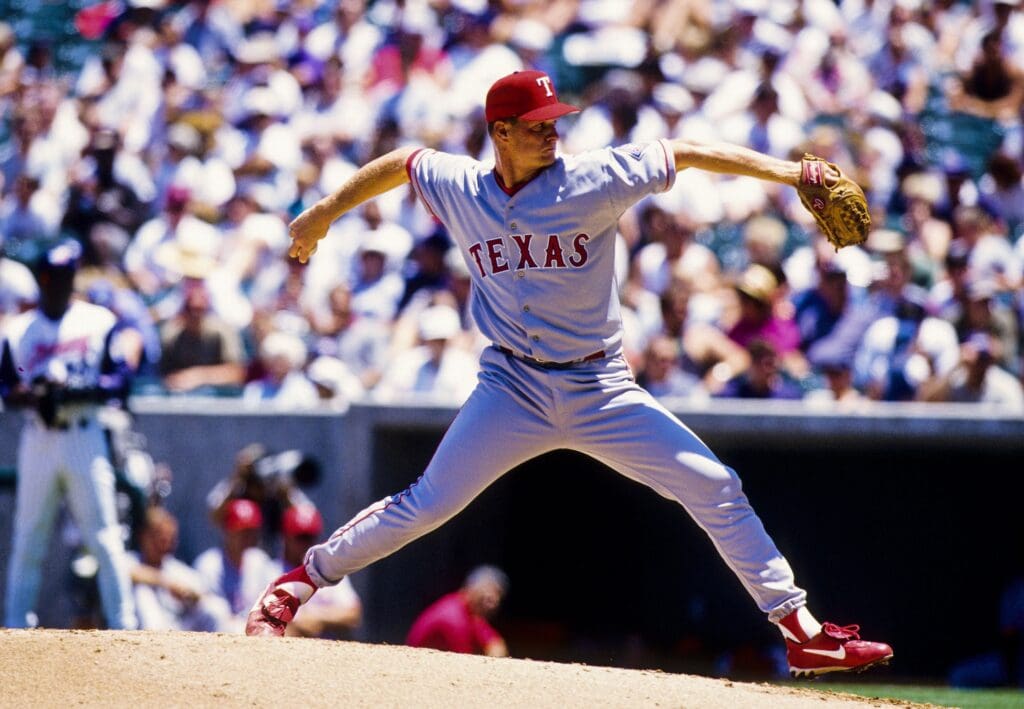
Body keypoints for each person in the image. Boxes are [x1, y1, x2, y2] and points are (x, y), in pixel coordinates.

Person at [246, 69, 893, 678]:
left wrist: (788, 172)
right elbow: (403, 163)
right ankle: (299, 582)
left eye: (555, 120)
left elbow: (688, 152)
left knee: (714, 484)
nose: (552, 131)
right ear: (500, 133)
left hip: (599, 387)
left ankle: (801, 631)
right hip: (511, 387)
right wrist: (325, 211)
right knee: (428, 502)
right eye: (537, 124)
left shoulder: (593, 178)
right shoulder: (461, 185)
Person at [0, 240, 138, 630]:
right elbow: (7, 387)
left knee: (104, 534)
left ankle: (124, 624)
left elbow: (120, 381)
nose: (56, 285)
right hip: (40, 435)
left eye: (62, 278)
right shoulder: (18, 329)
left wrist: (78, 391)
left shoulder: (97, 320)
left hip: (83, 432)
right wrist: (34, 394)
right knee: (29, 535)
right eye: (50, 279)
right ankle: (15, 624)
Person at [128, 505, 231, 632]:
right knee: (143, 591)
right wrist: (166, 583)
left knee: (216, 607)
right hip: (142, 632)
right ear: (143, 536)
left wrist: (191, 595)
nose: (164, 542)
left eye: (169, 538)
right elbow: (129, 573)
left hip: (177, 630)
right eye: (158, 536)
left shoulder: (176, 569)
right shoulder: (130, 559)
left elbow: (205, 596)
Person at [272, 504, 362, 640]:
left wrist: (317, 618)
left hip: (326, 653)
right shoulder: (271, 571)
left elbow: (353, 614)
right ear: (286, 537)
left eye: (310, 537)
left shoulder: (328, 568)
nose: (305, 544)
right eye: (300, 537)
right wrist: (298, 623)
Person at [193, 497, 278, 633]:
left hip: (254, 632)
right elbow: (208, 614)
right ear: (227, 530)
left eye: (250, 531)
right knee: (214, 608)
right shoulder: (208, 564)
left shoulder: (260, 561)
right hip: (217, 635)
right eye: (241, 531)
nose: (246, 536)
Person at [406, 565, 509, 657]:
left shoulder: (465, 609)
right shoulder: (454, 619)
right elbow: (464, 665)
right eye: (485, 597)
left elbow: (490, 638)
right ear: (470, 588)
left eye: (498, 594)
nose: (493, 602)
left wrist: (495, 646)